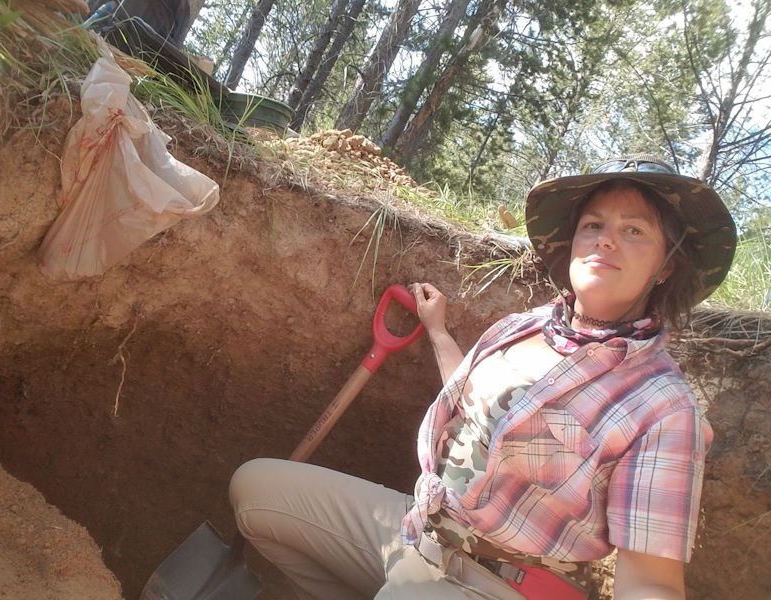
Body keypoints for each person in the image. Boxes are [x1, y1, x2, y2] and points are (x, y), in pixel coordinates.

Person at [229, 155, 737, 599]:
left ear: (667, 266)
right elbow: (475, 407)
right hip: (415, 531)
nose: (606, 241)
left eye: (634, 231)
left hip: (490, 580)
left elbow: (651, 583)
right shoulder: (522, 327)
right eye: (593, 224)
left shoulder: (664, 408)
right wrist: (437, 331)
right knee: (255, 492)